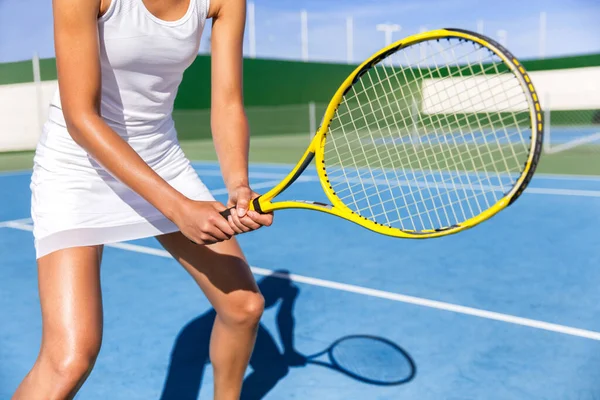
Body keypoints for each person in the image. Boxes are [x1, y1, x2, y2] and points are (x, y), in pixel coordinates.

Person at [12, 0, 272, 399]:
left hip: (160, 157)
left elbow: (227, 102)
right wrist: (178, 207)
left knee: (244, 308)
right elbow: (81, 116)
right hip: (78, 163)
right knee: (69, 358)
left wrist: (238, 184)